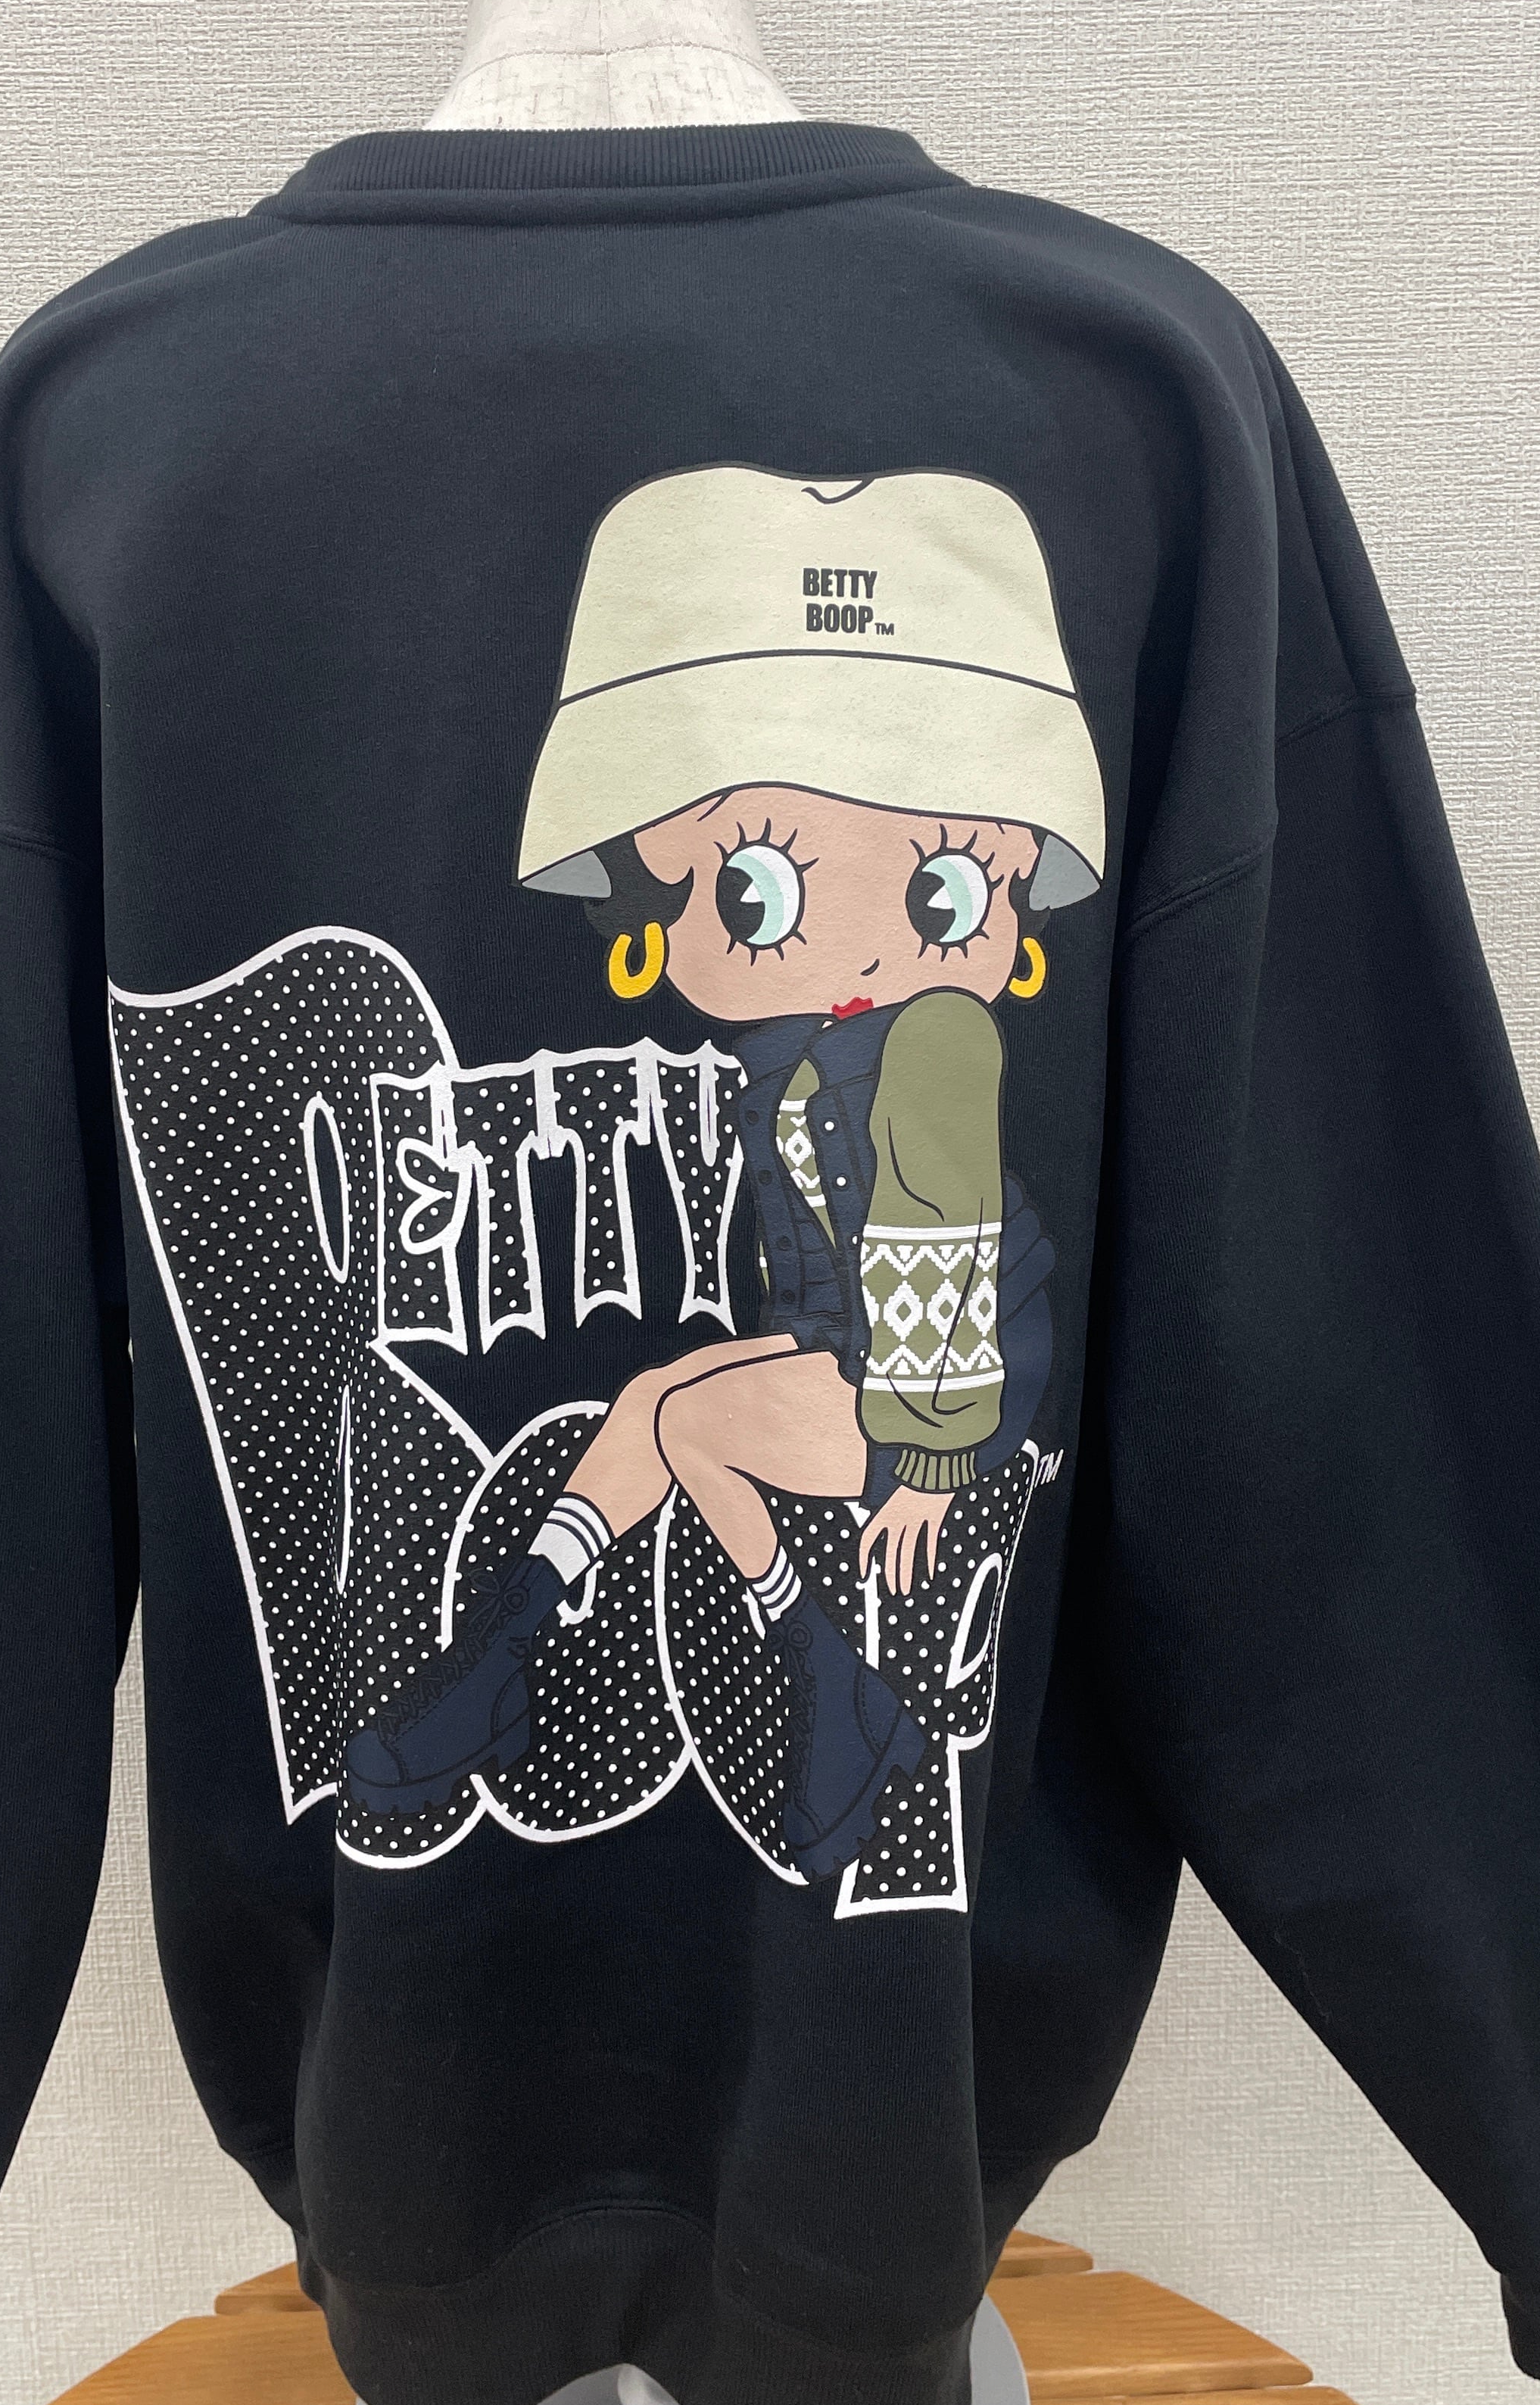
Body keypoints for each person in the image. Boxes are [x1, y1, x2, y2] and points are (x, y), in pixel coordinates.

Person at [341, 465, 1106, 1882]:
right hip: (862, 1358)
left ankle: (825, 1676)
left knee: (693, 1426)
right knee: (652, 1401)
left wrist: (933, 1458)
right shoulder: (802, 1052)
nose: (867, 940)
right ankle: (505, 1648)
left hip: (947, 1391)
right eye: (759, 889)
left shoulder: (934, 1037)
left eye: (940, 889)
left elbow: (947, 1232)